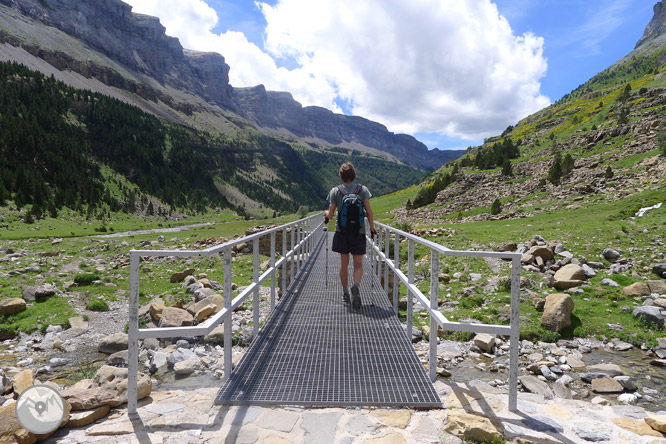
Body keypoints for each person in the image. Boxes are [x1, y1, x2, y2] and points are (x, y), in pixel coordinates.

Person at [323, 162, 376, 309]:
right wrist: (371, 228)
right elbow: (369, 212)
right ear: (354, 174)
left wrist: (326, 214)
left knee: (344, 264)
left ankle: (345, 293)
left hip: (342, 232)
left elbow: (331, 214)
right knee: (358, 263)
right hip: (358, 232)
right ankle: (356, 285)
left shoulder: (335, 191)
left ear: (341, 175)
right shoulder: (362, 189)